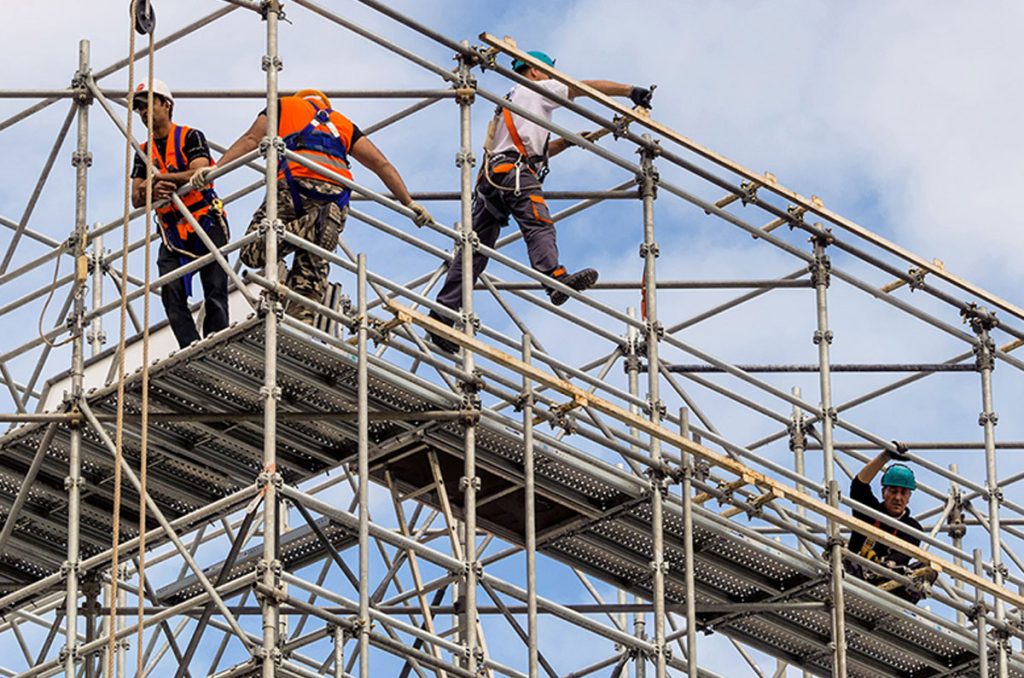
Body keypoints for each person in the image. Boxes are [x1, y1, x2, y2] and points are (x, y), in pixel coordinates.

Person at [427, 50, 654, 354]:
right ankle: (553, 277)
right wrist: (629, 91)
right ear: (534, 71)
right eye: (547, 72)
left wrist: (566, 141)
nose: (551, 79)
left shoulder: (511, 100)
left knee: (473, 254)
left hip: (493, 179)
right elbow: (582, 87)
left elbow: (529, 148)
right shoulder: (538, 88)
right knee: (538, 223)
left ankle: (442, 315)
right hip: (516, 175)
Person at [197, 89, 432, 326]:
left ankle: (317, 223)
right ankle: (301, 322)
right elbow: (381, 164)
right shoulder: (343, 124)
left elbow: (251, 139)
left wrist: (215, 170)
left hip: (293, 186)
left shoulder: (284, 106)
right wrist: (409, 203)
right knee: (311, 271)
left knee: (251, 252)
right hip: (336, 199)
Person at [131, 78, 230, 349]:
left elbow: (201, 173)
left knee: (215, 289)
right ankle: (191, 346)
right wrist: (153, 187)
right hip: (172, 230)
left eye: (147, 105)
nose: (142, 112)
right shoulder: (142, 151)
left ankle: (217, 345)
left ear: (166, 104)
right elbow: (136, 198)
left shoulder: (190, 136)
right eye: (138, 108)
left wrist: (166, 178)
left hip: (204, 220)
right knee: (171, 293)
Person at [846, 449, 935, 603]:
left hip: (888, 585)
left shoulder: (912, 528)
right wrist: (885, 456)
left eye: (903, 493)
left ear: (909, 497)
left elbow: (899, 559)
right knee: (842, 556)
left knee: (927, 570)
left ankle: (883, 583)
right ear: (883, 493)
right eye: (893, 491)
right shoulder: (869, 512)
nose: (898, 498)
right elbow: (859, 485)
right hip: (855, 574)